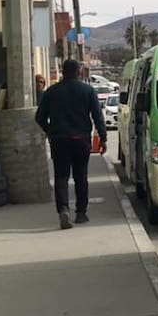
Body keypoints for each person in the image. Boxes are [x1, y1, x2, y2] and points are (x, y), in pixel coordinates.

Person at [35, 59, 107, 230]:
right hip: (81, 139)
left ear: (63, 71)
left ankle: (63, 210)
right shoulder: (87, 90)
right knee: (81, 176)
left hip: (59, 139)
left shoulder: (52, 92)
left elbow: (39, 116)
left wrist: (51, 130)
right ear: (78, 72)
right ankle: (81, 213)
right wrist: (103, 138)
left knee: (61, 176)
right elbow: (97, 116)